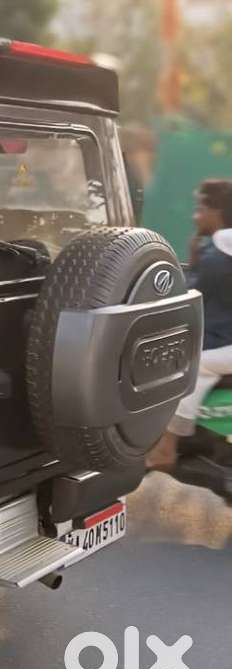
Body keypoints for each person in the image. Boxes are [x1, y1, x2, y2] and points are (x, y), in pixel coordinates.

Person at [146, 179, 232, 471]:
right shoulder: (219, 249)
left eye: (199, 209)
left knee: (192, 365)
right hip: (225, 337)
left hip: (225, 344)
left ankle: (166, 448)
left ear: (215, 211)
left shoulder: (219, 253)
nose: (196, 216)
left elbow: (190, 298)